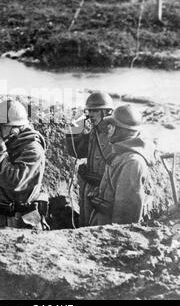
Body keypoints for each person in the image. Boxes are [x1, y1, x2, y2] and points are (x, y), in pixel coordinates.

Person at [0, 99, 48, 230]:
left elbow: (14, 180)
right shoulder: (11, 142)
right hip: (2, 217)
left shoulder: (33, 149)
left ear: (14, 129)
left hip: (21, 222)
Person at [90, 104, 155, 226]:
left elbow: (126, 216)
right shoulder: (121, 155)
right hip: (102, 225)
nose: (108, 129)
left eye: (112, 126)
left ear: (123, 130)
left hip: (109, 234)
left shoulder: (132, 163)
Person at [66, 92, 114, 226]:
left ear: (107, 112)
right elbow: (77, 151)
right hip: (91, 190)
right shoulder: (95, 131)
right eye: (89, 110)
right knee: (84, 224)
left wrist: (96, 178)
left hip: (105, 193)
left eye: (95, 111)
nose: (91, 114)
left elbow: (117, 168)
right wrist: (75, 128)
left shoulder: (114, 134)